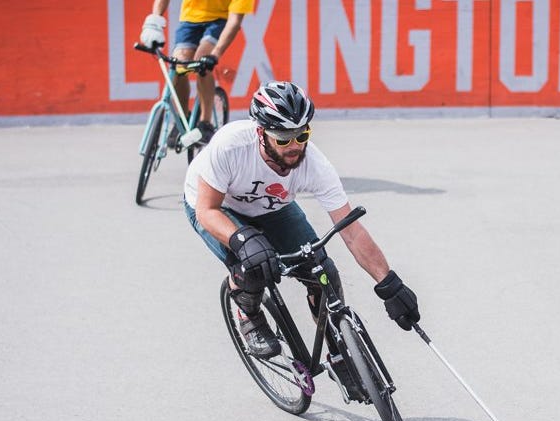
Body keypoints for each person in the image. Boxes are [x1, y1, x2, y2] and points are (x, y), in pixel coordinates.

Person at [182, 80, 421, 394]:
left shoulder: (314, 164)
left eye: (302, 135)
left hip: (273, 208)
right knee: (252, 264)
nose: (294, 146)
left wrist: (389, 284)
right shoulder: (230, 146)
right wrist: (242, 240)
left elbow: (351, 231)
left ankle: (340, 353)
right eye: (283, 139)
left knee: (323, 272)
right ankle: (249, 312)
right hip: (219, 206)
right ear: (261, 133)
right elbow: (206, 210)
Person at [139, 0, 253, 143]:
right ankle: (183, 118)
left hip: (220, 21)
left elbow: (235, 21)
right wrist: (154, 21)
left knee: (202, 62)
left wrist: (215, 54)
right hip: (190, 19)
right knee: (179, 65)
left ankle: (205, 124)